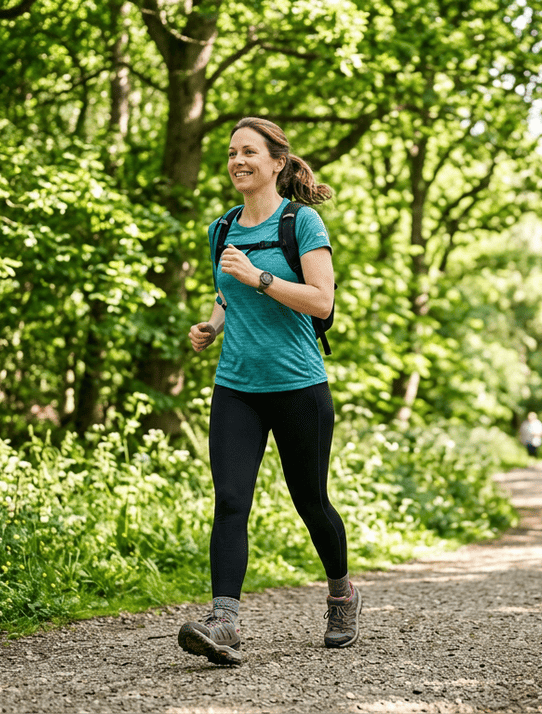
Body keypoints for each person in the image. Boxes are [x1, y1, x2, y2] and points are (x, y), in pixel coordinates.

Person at [181, 117, 357, 666]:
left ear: (277, 162)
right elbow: (226, 293)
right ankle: (224, 623)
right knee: (231, 501)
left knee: (311, 502)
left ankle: (341, 594)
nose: (238, 161)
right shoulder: (221, 227)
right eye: (232, 152)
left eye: (249, 152)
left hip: (299, 384)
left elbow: (321, 302)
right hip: (236, 387)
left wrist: (258, 275)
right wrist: (212, 326)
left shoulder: (301, 223)